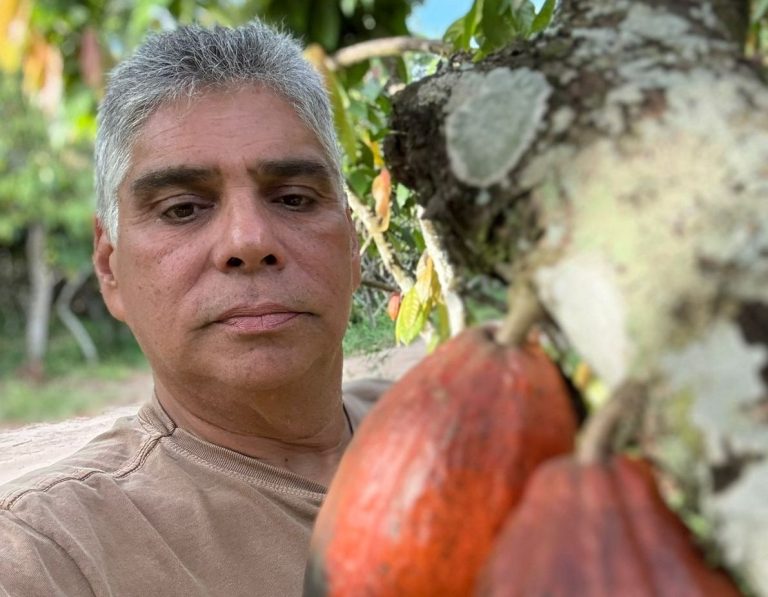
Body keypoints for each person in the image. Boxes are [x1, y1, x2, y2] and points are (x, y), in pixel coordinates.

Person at [0, 21, 390, 596]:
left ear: (353, 244)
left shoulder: (459, 425)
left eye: (293, 199)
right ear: (110, 268)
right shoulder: (52, 555)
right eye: (183, 209)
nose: (250, 240)